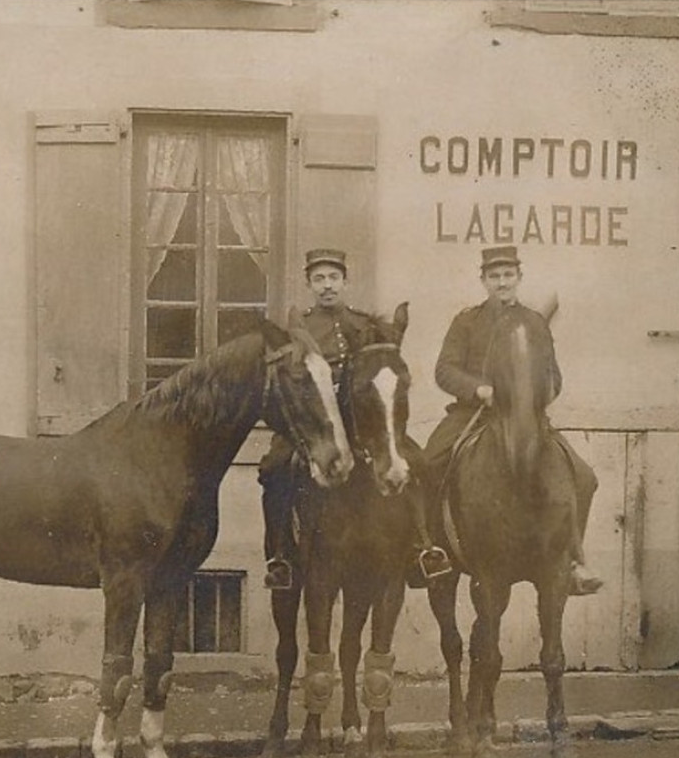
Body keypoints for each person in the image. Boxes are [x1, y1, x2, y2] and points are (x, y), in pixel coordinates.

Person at [258, 248, 450, 590]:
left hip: (364, 422)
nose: (327, 286)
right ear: (309, 284)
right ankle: (281, 555)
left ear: (346, 281)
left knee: (418, 461)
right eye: (319, 279)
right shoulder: (298, 327)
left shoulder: (364, 323)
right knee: (275, 466)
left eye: (333, 278)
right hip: (314, 424)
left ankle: (422, 546)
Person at [420, 244, 603, 596]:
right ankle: (433, 551)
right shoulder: (467, 321)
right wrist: (480, 390)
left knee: (584, 477)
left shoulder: (534, 323)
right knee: (429, 465)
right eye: (494, 276)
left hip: (526, 419)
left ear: (519, 277)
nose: (501, 282)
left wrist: (532, 396)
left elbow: (554, 378)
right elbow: (445, 371)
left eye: (508, 275)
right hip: (472, 415)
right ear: (484, 280)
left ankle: (572, 559)